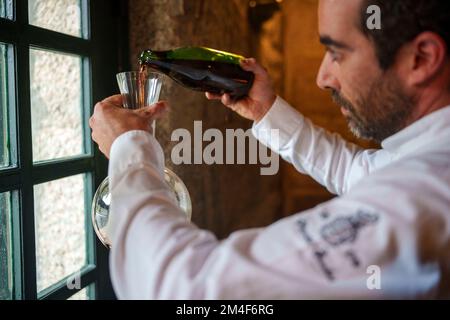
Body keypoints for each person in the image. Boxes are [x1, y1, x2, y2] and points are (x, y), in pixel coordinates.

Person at [89, 0, 450, 299]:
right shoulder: (427, 158)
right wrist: (266, 111)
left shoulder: (423, 197)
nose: (322, 78)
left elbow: (183, 290)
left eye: (336, 53)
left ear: (421, 58)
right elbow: (356, 171)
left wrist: (129, 146)